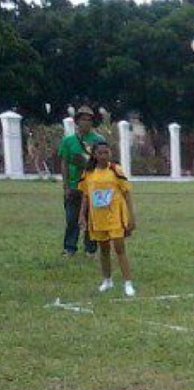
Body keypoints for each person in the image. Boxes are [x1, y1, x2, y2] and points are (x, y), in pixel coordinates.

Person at [78, 142, 136, 296]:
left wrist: (131, 216)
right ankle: (107, 280)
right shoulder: (89, 173)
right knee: (103, 250)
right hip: (98, 217)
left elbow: (126, 193)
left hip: (115, 216)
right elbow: (85, 195)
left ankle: (128, 283)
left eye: (106, 152)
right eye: (100, 153)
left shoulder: (115, 170)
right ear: (95, 155)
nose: (104, 156)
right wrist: (82, 215)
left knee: (119, 249)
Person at [58, 106, 105, 257]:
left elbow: (104, 162)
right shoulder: (68, 141)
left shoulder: (98, 140)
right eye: (83, 119)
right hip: (74, 184)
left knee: (92, 217)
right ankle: (69, 248)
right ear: (77, 121)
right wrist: (65, 186)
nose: (86, 122)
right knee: (72, 218)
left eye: (89, 119)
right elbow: (64, 163)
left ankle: (90, 248)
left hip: (93, 186)